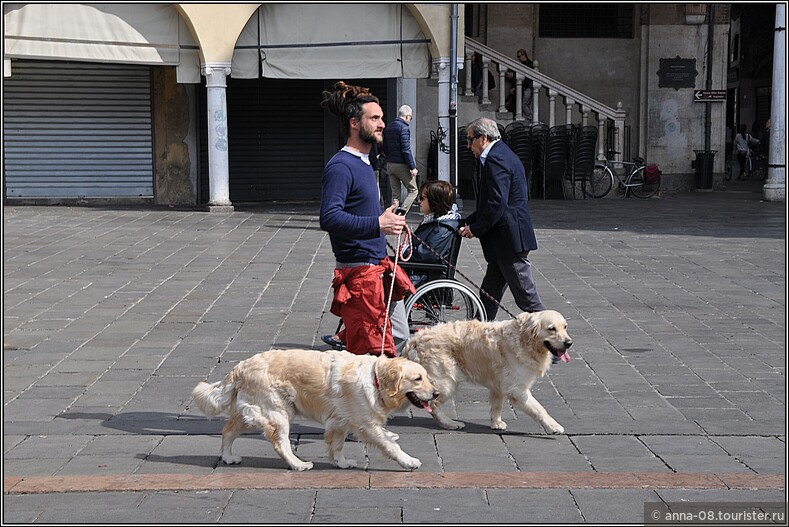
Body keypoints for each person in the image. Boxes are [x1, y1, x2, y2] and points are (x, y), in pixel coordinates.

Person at [319, 81, 414, 357]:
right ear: (354, 123)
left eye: (382, 117)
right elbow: (329, 217)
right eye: (374, 118)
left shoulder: (365, 162)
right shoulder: (341, 166)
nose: (382, 123)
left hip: (377, 269)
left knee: (397, 336)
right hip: (360, 275)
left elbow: (362, 212)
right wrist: (378, 224)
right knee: (372, 355)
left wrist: (388, 220)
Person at [459, 117, 546, 322]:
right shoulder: (501, 154)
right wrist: (467, 222)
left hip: (508, 240)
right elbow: (491, 202)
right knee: (488, 295)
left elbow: (497, 203)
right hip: (504, 240)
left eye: (470, 140)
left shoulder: (496, 158)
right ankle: (476, 340)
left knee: (527, 299)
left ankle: (554, 345)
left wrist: (475, 228)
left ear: (483, 138)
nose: (468, 146)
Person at [404, 180, 462, 288]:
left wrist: (405, 251)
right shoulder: (433, 222)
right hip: (420, 272)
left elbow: (427, 254)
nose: (419, 201)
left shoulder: (443, 228)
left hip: (423, 278)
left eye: (422, 198)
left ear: (434, 201)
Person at [383, 105, 419, 214]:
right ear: (407, 116)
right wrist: (412, 167)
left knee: (395, 195)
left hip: (390, 165)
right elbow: (406, 150)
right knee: (413, 190)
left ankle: (392, 218)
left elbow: (384, 146)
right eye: (410, 118)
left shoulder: (389, 127)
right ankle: (401, 213)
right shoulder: (404, 128)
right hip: (401, 165)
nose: (410, 120)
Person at [504, 48, 534, 123]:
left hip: (528, 88)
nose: (519, 58)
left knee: (524, 104)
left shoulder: (529, 64)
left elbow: (528, 78)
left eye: (519, 56)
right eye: (518, 57)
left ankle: (531, 118)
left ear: (524, 55)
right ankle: (529, 119)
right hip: (525, 88)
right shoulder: (523, 65)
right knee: (524, 104)